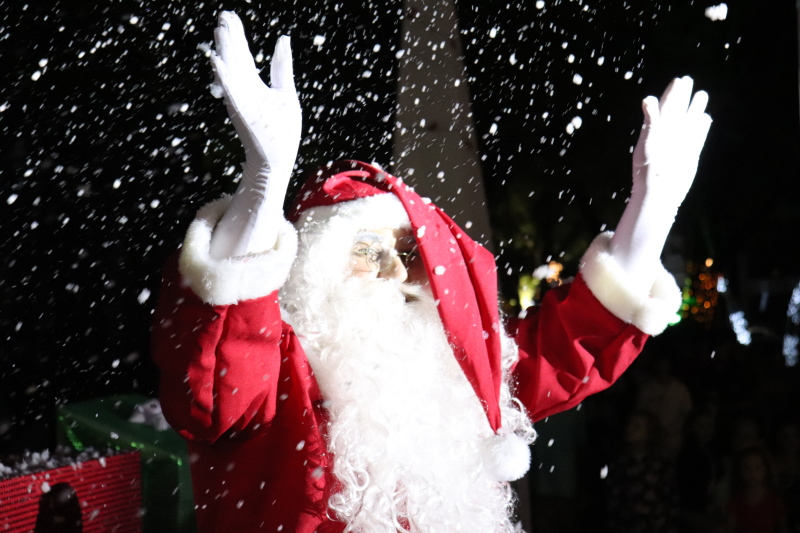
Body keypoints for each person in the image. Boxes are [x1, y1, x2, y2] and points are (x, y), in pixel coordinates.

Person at [151, 11, 712, 533]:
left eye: (408, 252)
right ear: (317, 269)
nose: (395, 269)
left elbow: (566, 351)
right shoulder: (279, 375)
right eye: (368, 249)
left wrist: (649, 219)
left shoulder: (450, 374)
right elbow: (215, 373)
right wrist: (262, 188)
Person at [607, 411, 679, 533]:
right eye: (629, 425)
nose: (630, 429)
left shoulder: (661, 464)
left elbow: (669, 498)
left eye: (637, 426)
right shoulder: (618, 462)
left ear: (650, 433)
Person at [726, 447, 788, 533]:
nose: (752, 473)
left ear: (766, 470)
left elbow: (783, 529)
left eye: (757, 468)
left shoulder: (775, 501)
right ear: (740, 471)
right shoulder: (736, 501)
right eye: (747, 468)